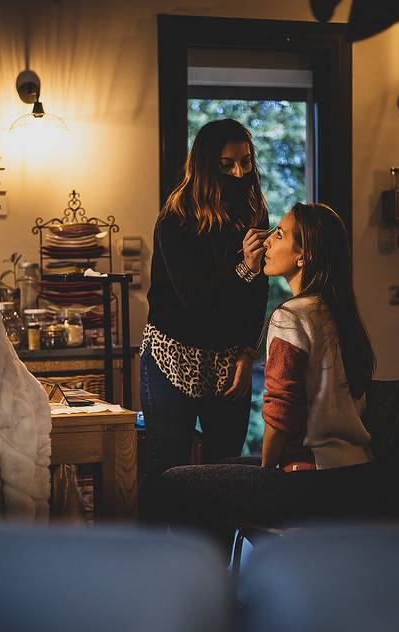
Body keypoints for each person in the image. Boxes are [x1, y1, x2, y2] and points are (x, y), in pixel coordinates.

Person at [151, 202, 382, 553]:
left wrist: (266, 471)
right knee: (221, 468)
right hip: (357, 474)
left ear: (303, 256)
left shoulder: (290, 316)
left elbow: (280, 412)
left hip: (308, 480)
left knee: (173, 483)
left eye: (280, 234)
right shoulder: (339, 314)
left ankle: (202, 584)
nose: (268, 242)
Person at [140, 118, 270, 515]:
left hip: (229, 357)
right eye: (227, 164)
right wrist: (243, 269)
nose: (239, 172)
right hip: (172, 354)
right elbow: (194, 299)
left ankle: (218, 562)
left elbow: (259, 293)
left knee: (224, 471)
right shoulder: (175, 219)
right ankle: (164, 562)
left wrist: (248, 355)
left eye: (245, 162)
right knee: (170, 468)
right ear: (205, 166)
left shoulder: (253, 213)